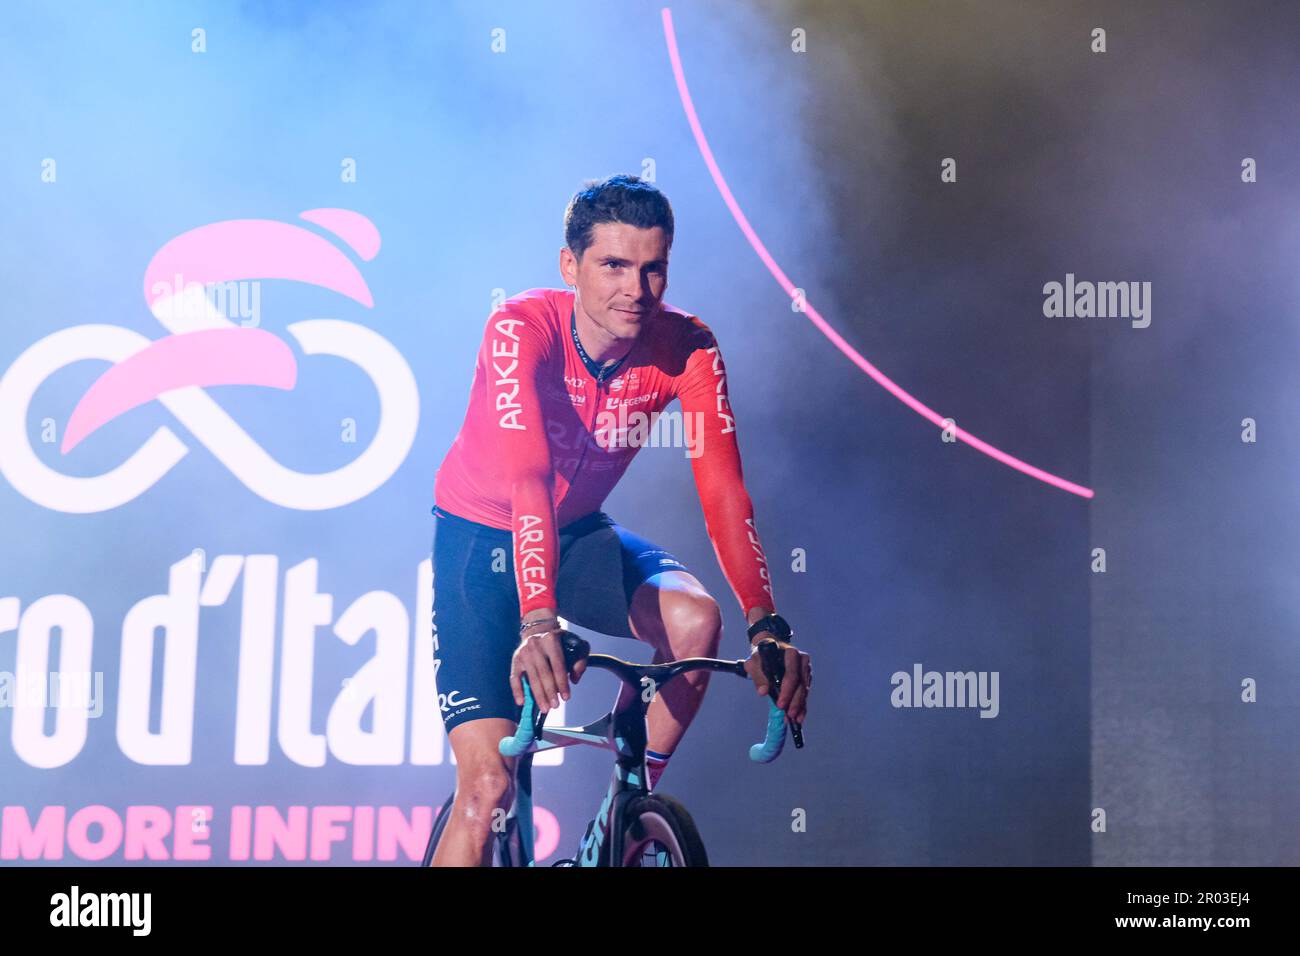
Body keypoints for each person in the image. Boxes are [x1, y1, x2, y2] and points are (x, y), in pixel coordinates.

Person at [428, 174, 811, 866]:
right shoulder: (519, 329)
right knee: (487, 789)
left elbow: (723, 491)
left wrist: (768, 623)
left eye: (653, 268)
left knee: (696, 622)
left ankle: (621, 824)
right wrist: (538, 619)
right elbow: (528, 479)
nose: (636, 289)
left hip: (572, 534)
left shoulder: (687, 346)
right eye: (613, 266)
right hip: (481, 544)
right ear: (570, 266)